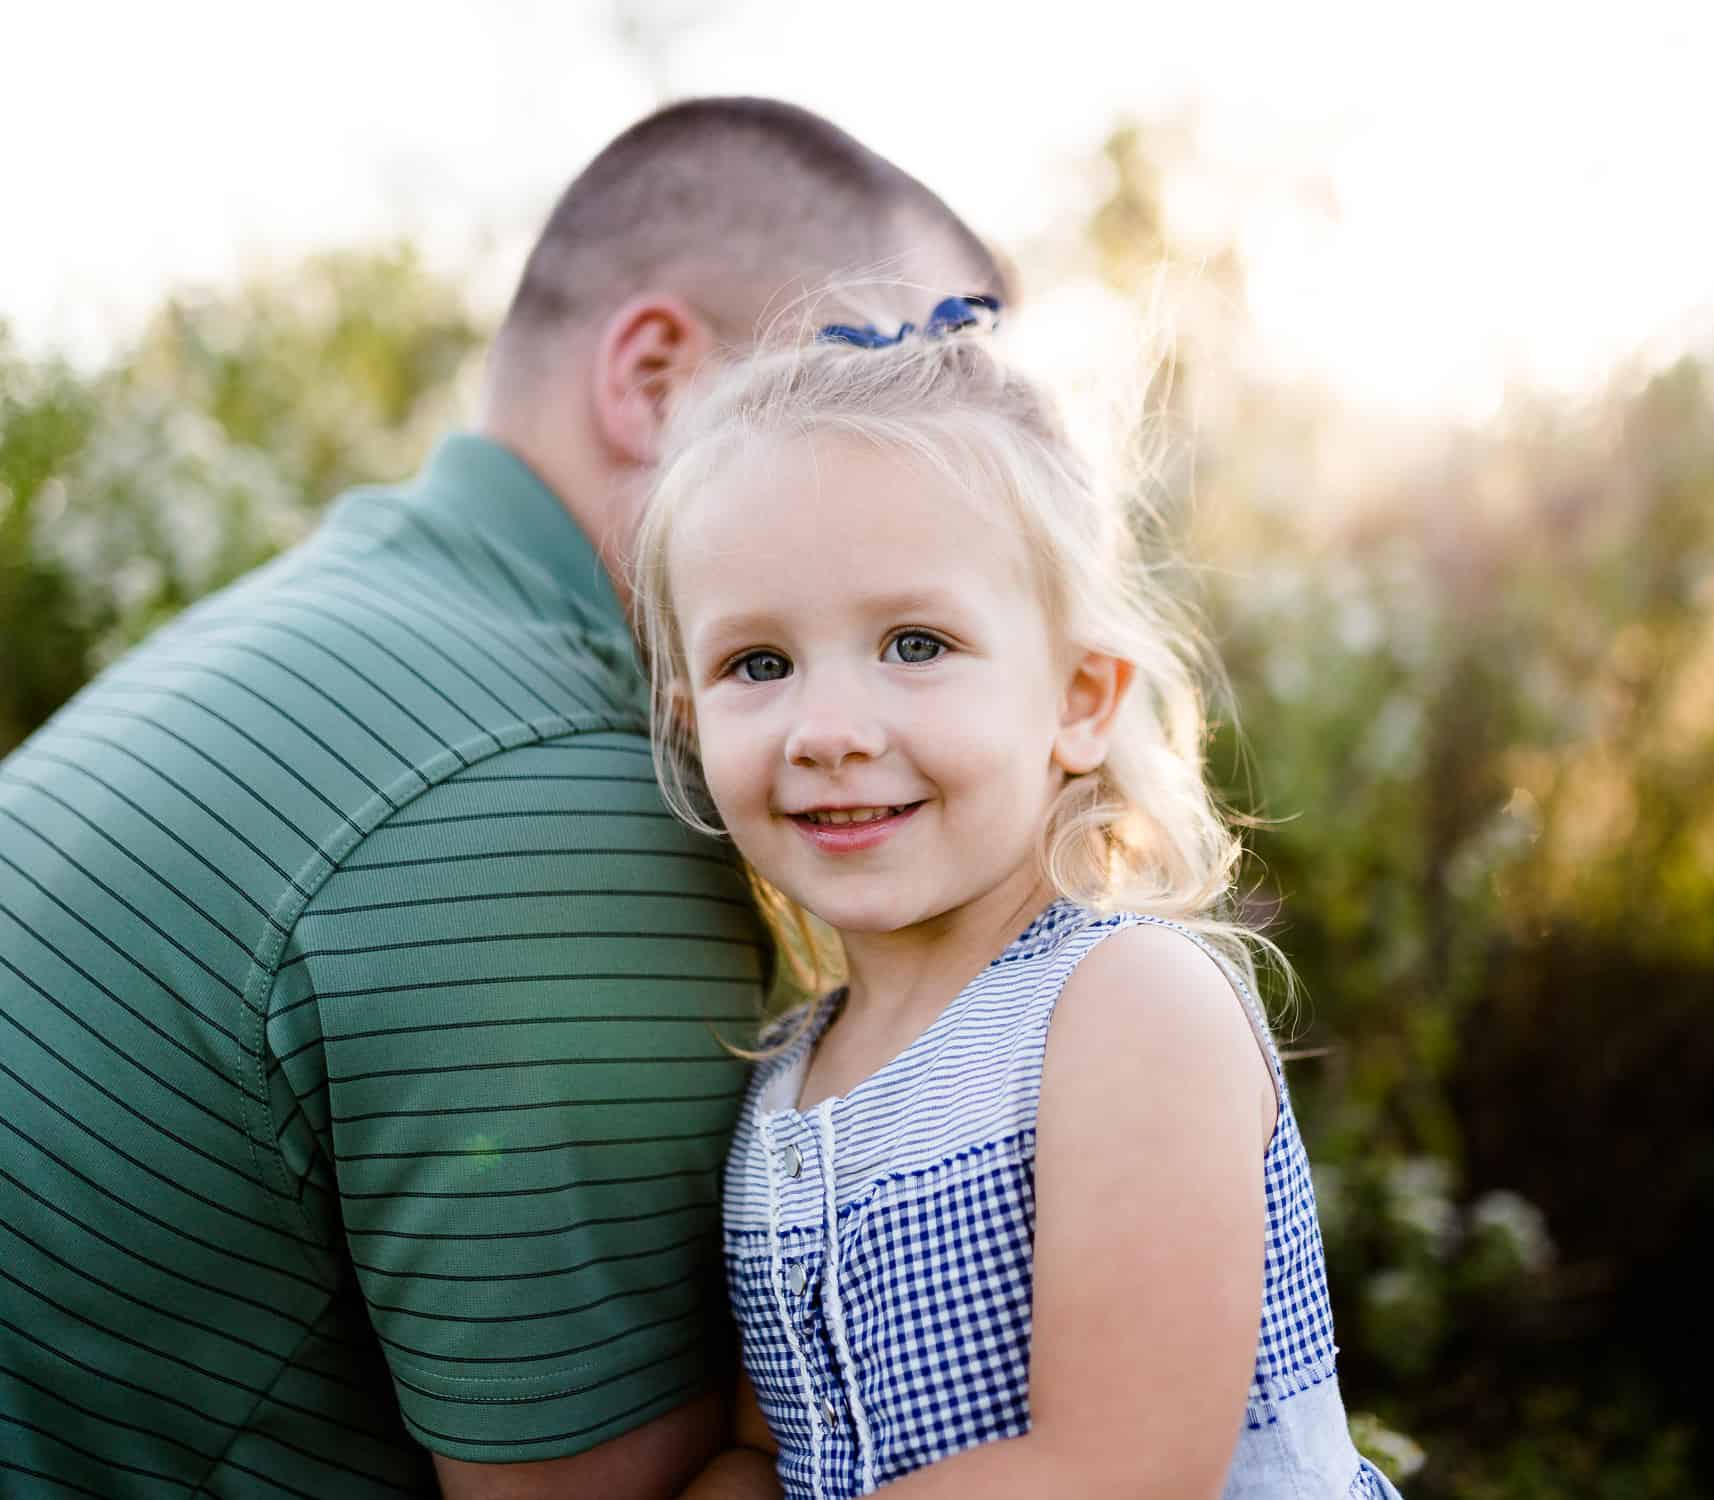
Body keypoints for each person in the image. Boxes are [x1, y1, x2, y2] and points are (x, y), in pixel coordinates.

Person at [0, 99, 1000, 1499]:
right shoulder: (557, 811)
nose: (962, 480)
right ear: (656, 380)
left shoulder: (325, 611)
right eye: (879, 389)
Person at [635, 304, 1402, 1498]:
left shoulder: (1121, 1006)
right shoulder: (790, 1077)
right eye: (760, 666)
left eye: (916, 643)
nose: (829, 732)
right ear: (691, 721)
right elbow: (770, 1451)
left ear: (1080, 700)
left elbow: (1119, 1471)